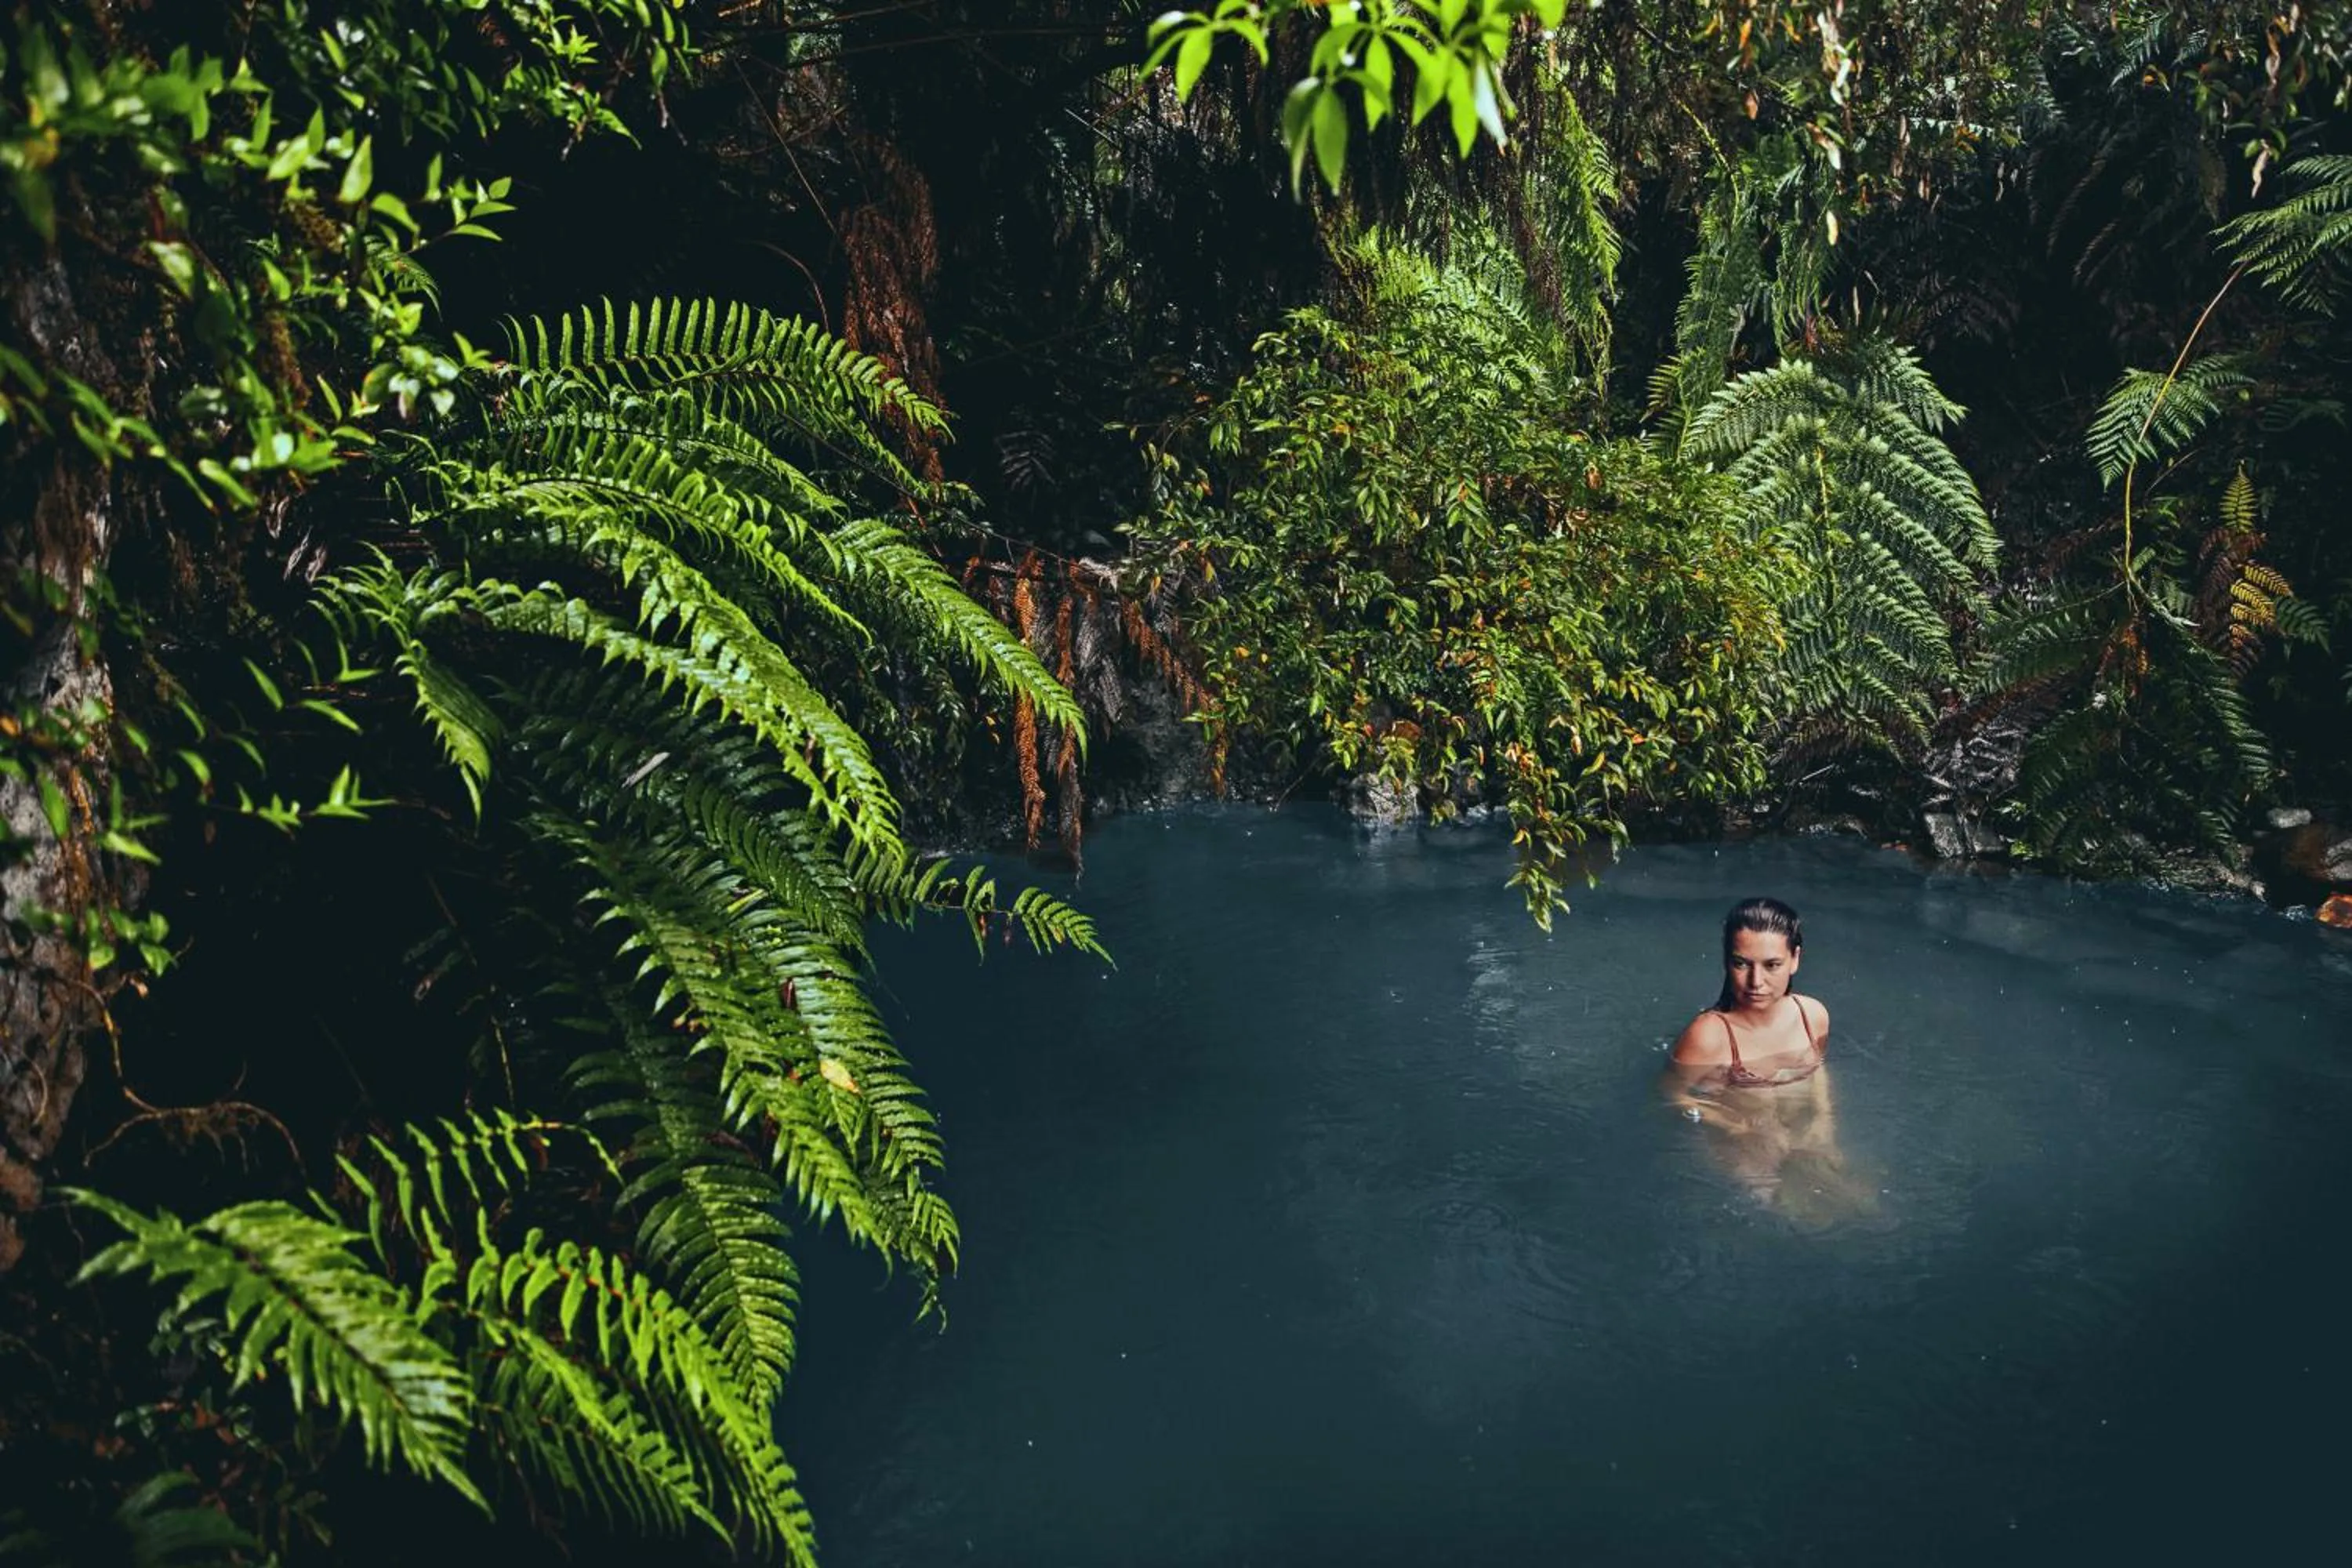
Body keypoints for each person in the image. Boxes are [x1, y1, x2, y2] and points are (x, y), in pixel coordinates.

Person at [1662, 897, 1862, 1220]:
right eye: (1742, 964)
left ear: (1795, 959)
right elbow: (1671, 1095)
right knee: (1782, 1214)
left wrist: (1824, 1122)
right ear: (1727, 961)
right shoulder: (1708, 1035)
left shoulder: (1812, 1015)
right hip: (1739, 1143)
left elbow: (1818, 1069)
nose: (1756, 982)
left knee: (1862, 1201)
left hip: (1799, 1129)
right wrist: (1735, 1127)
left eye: (1772, 965)